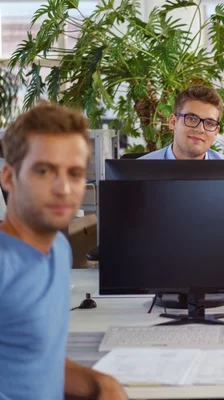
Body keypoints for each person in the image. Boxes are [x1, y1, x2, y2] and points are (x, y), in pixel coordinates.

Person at [0, 103, 128, 400]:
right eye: (44, 170)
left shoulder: (58, 249)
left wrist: (100, 384)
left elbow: (38, 362)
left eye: (74, 173)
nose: (64, 188)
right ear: (8, 177)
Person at [140, 85, 224, 160]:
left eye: (209, 123)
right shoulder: (139, 170)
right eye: (192, 119)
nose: (200, 129)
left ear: (216, 132)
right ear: (173, 122)